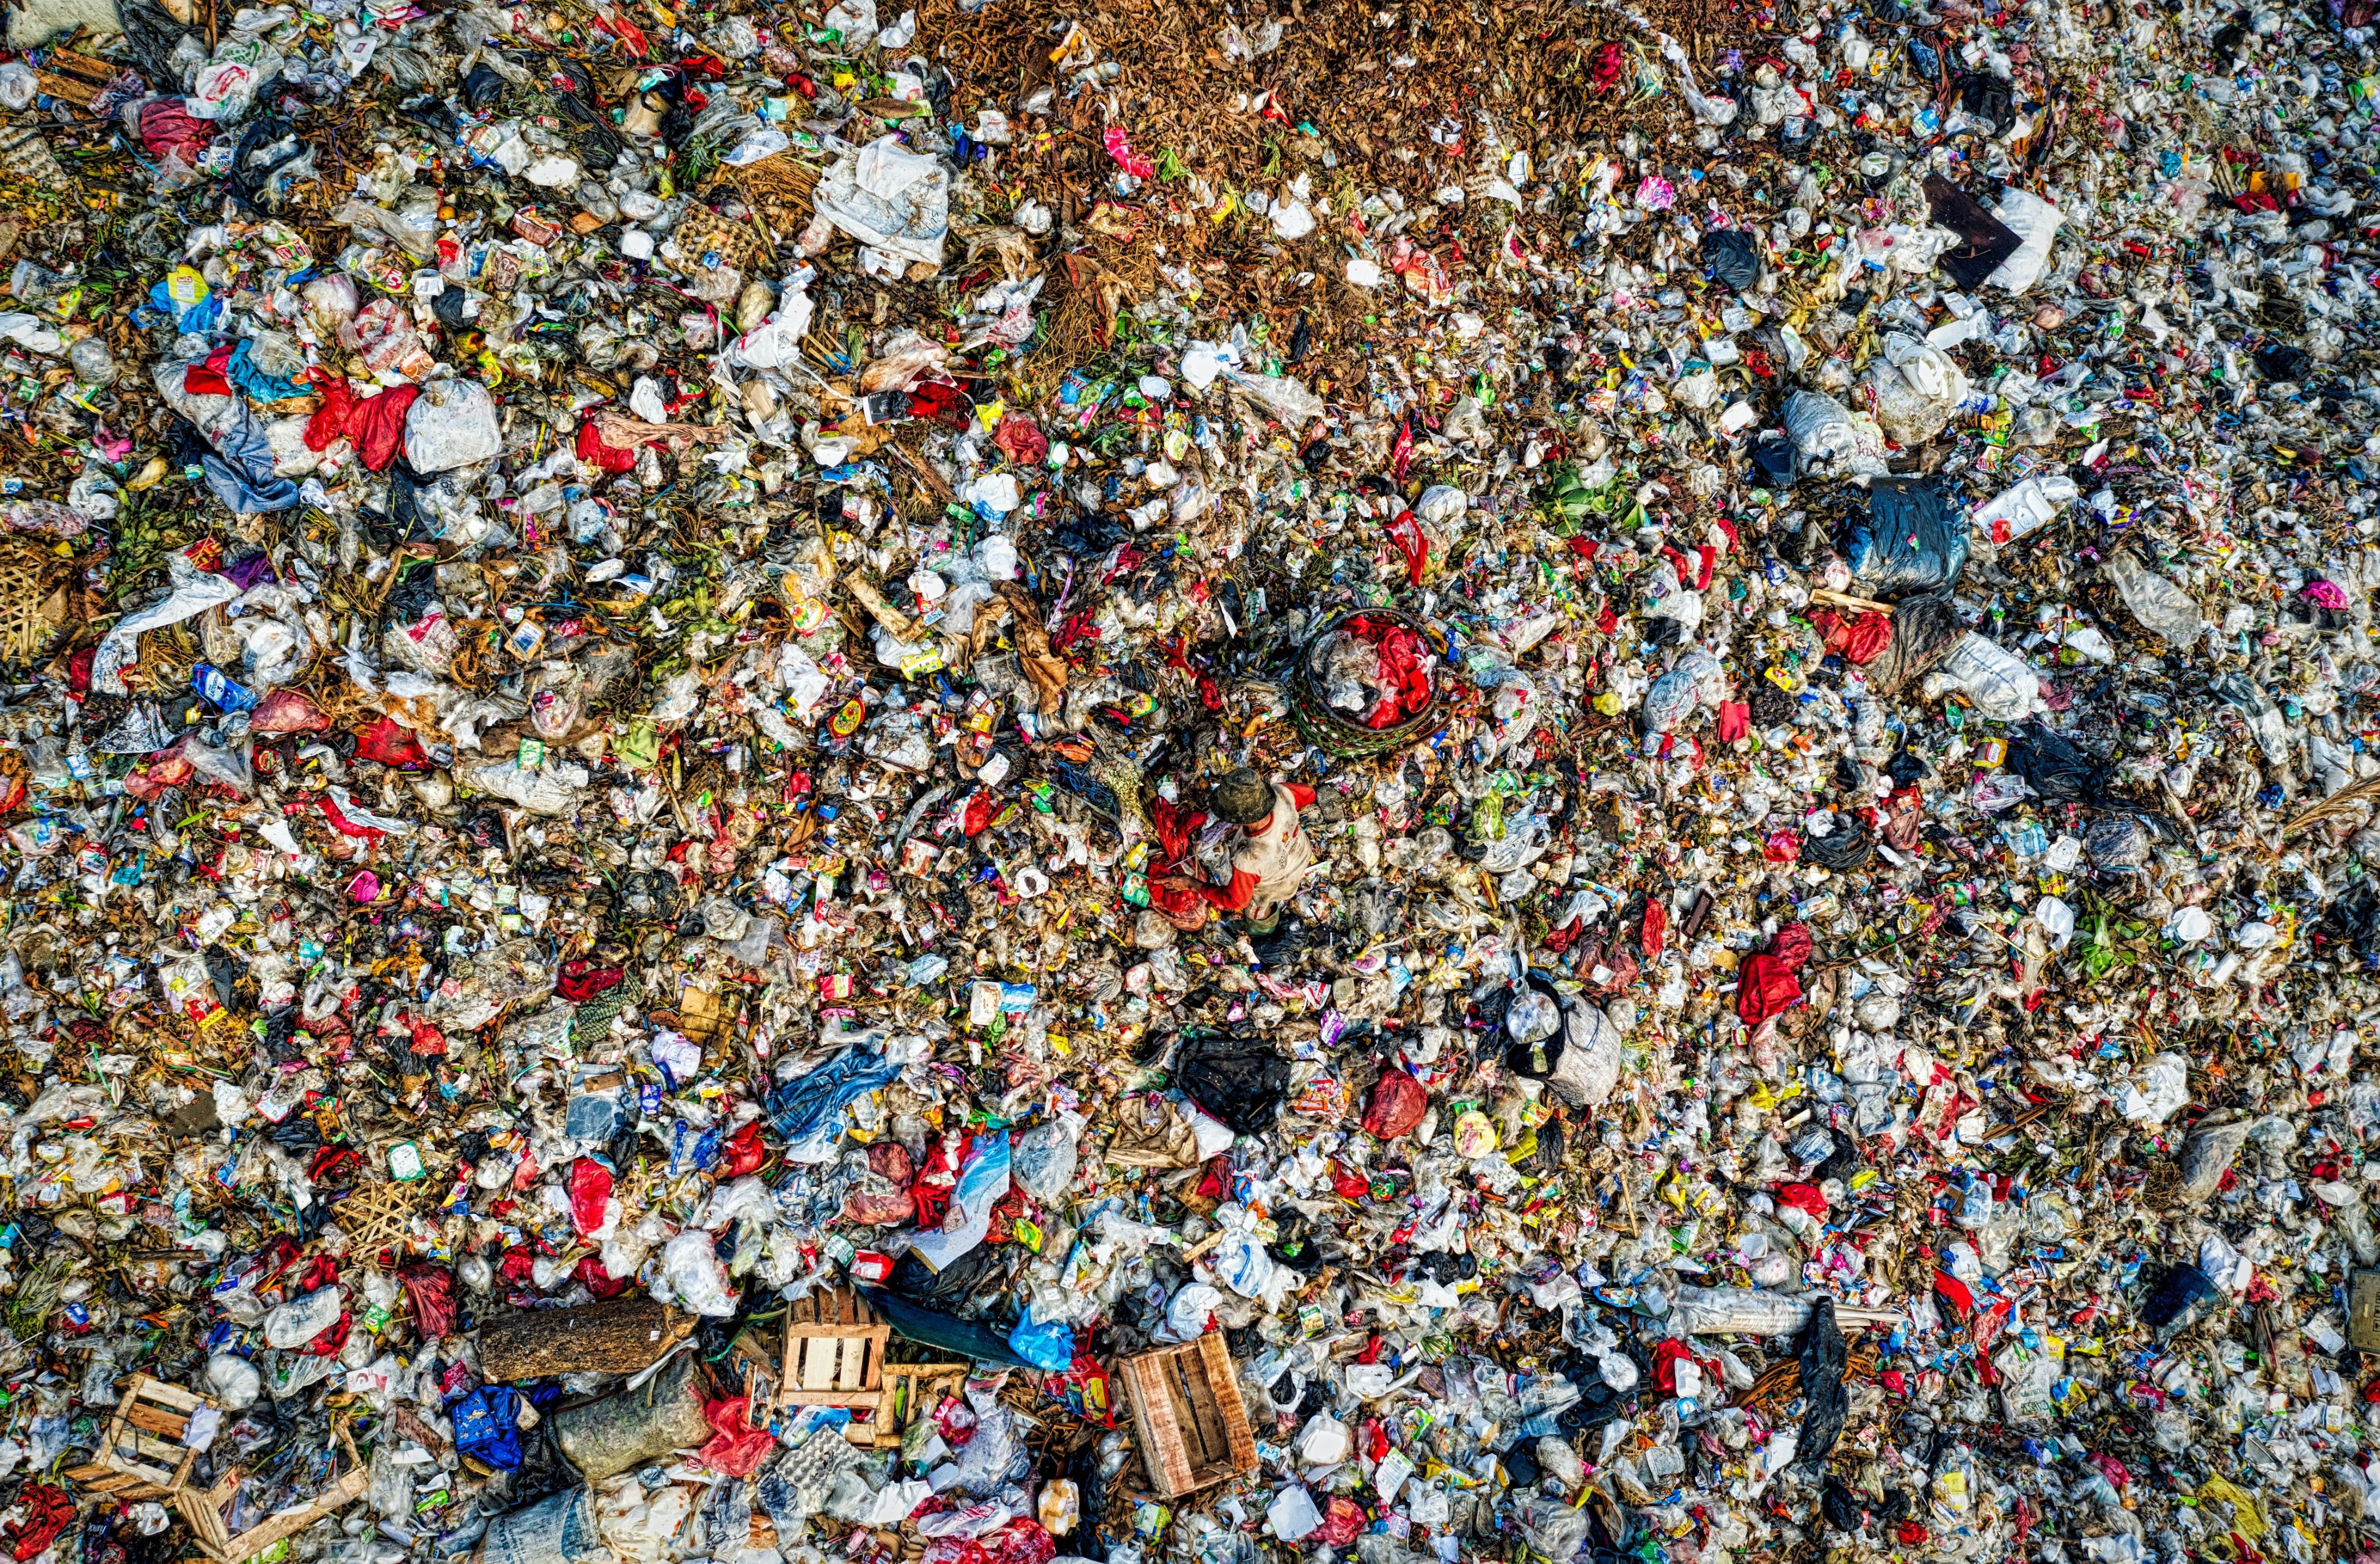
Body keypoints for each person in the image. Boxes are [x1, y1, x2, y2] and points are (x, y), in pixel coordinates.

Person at [1196, 768, 1318, 934]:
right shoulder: (1282, 793)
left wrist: (1195, 885)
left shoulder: (1249, 858)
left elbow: (1238, 901)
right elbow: (1310, 794)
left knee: (1257, 908)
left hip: (1279, 885)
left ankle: (1262, 931)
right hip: (1301, 852)